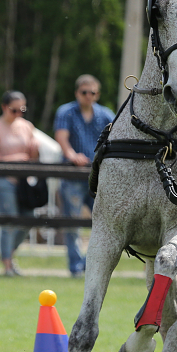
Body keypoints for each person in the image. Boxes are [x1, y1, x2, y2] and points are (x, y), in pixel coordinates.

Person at [53, 75, 114, 278]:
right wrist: (72, 156)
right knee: (72, 223)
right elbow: (62, 138)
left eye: (93, 92)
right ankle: (76, 267)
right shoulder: (66, 112)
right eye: (84, 92)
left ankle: (91, 264)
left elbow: (115, 138)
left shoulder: (105, 114)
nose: (89, 96)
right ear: (77, 93)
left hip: (97, 176)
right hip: (72, 174)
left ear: (97, 94)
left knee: (103, 221)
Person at [0, 91, 40, 276]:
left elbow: (33, 157)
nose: (18, 114)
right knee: (9, 221)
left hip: (23, 182)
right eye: (14, 110)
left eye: (22, 110)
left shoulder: (26, 126)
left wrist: (34, 150)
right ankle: (7, 265)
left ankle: (8, 255)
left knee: (28, 218)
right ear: (4, 107)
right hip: (3, 181)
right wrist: (15, 158)